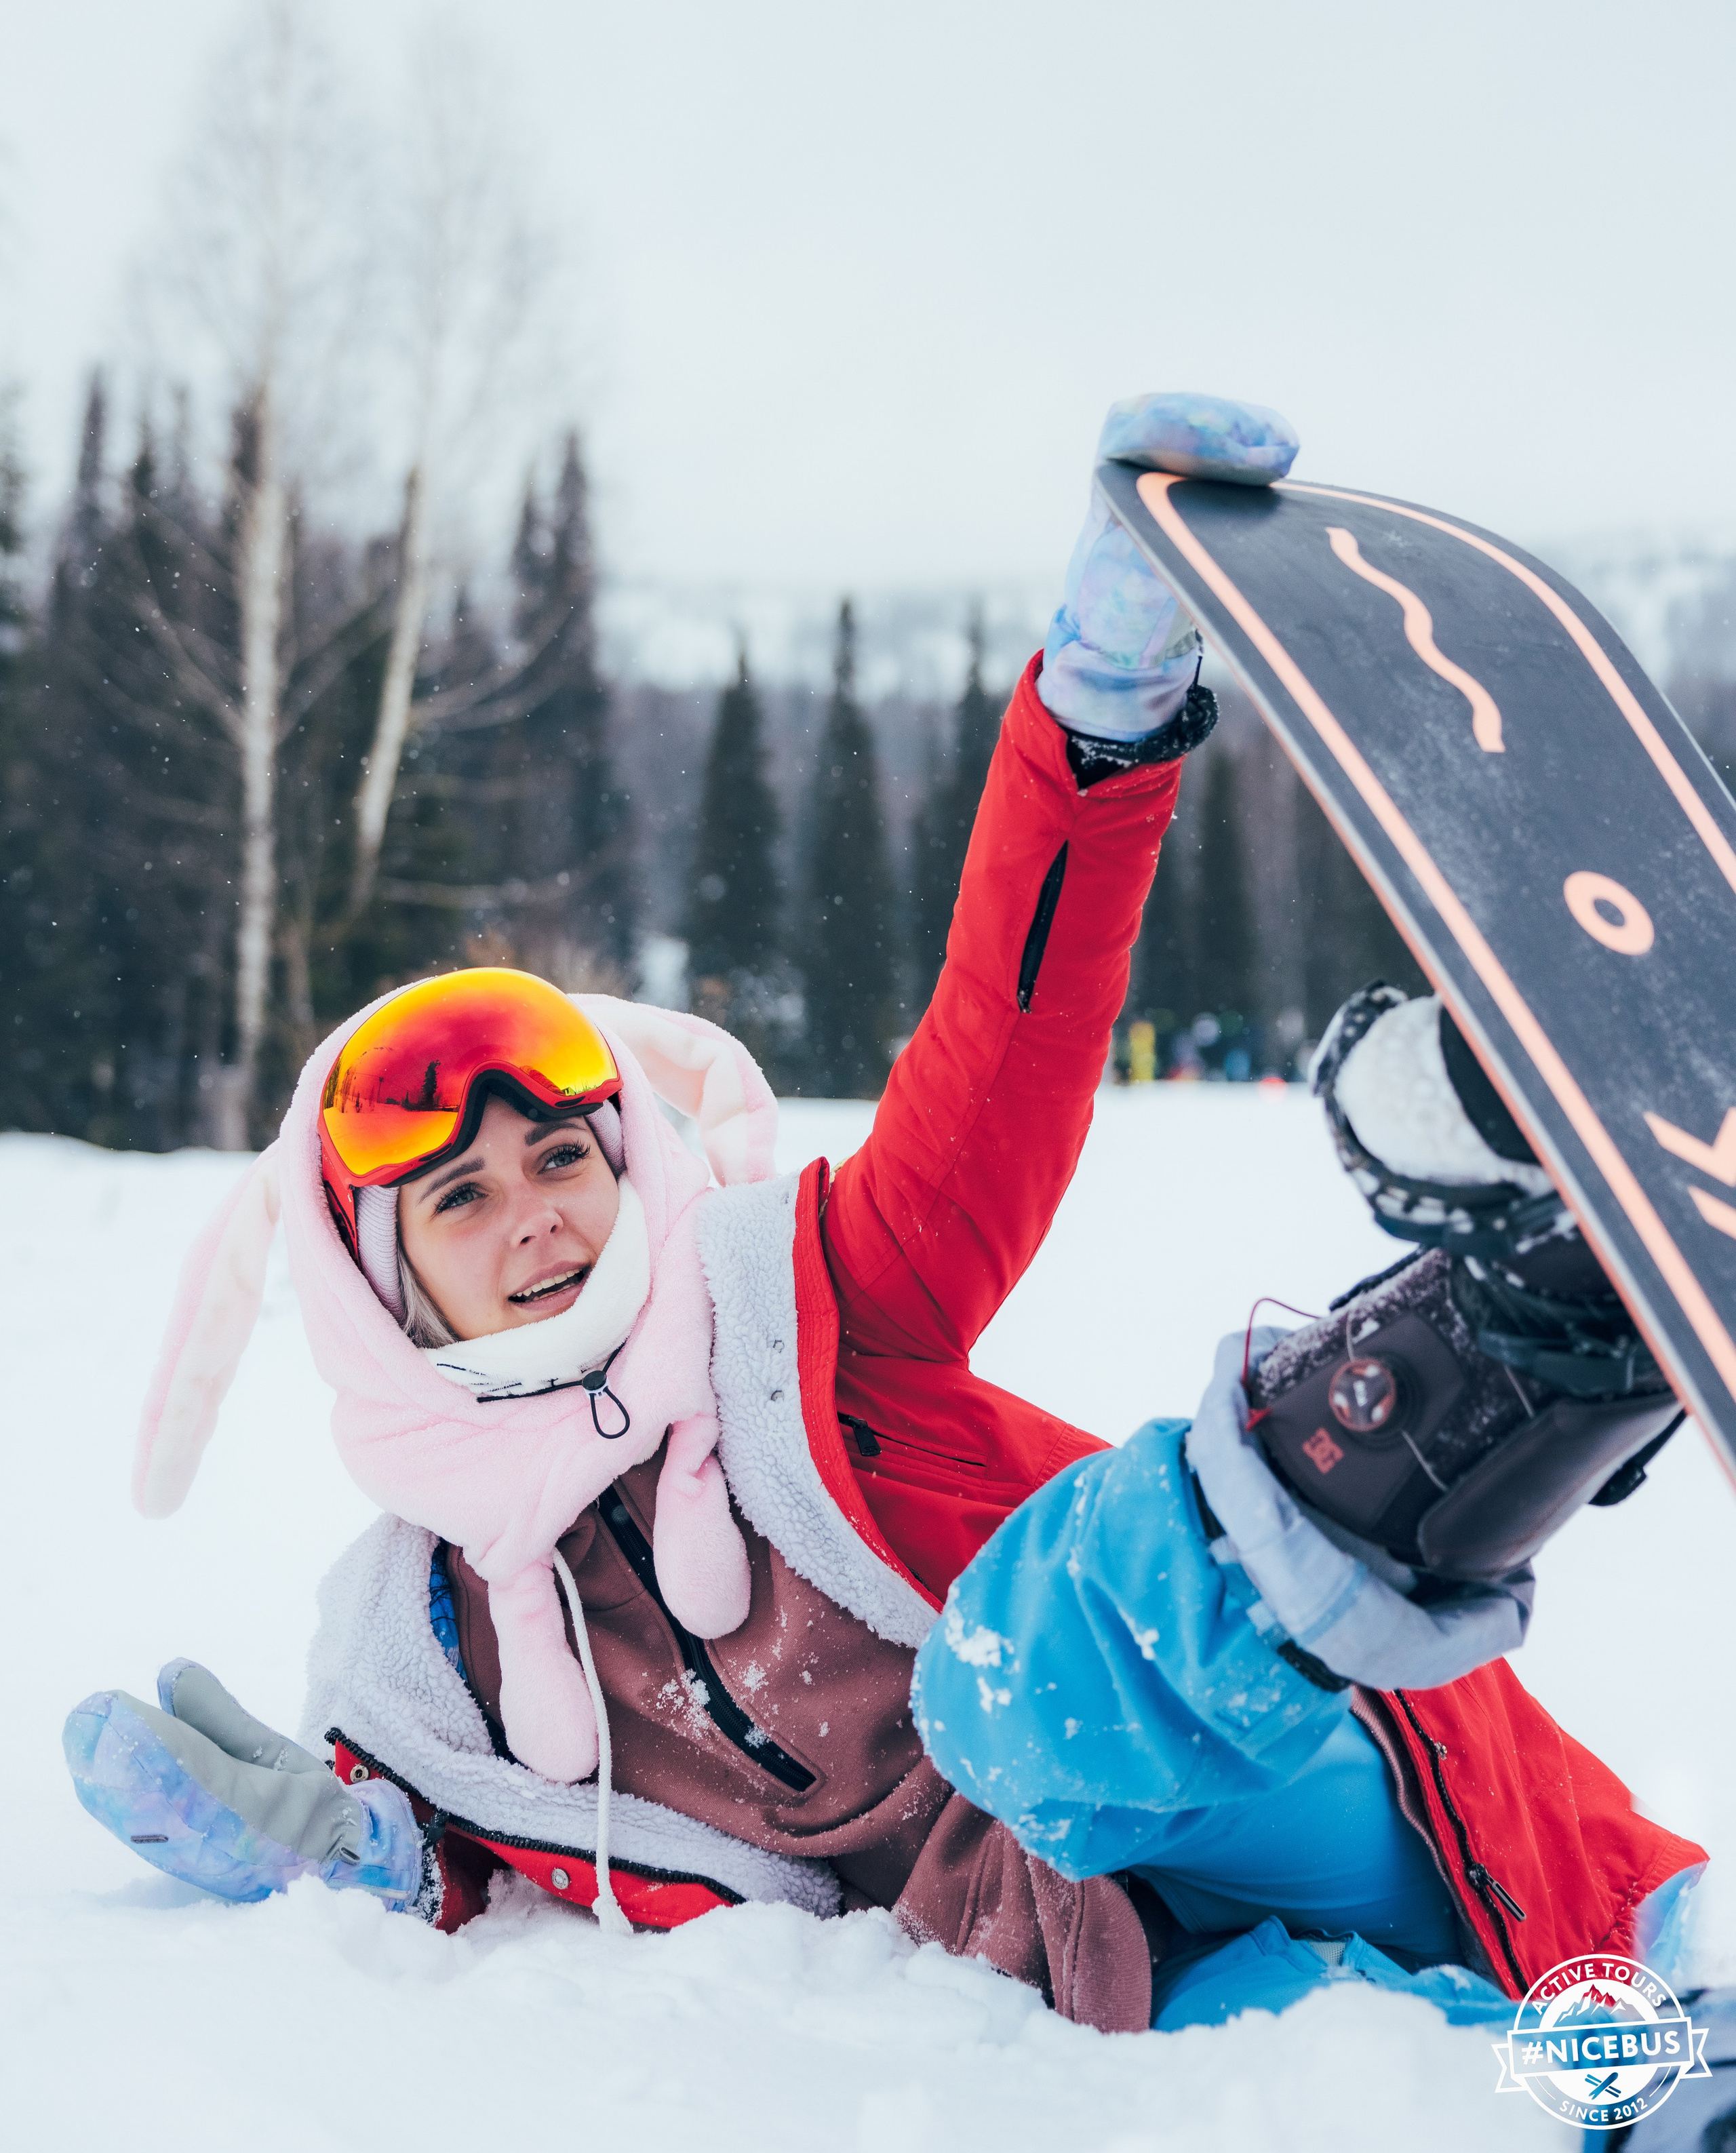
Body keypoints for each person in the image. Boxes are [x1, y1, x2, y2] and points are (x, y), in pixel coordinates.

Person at [66, 394, 1705, 2036]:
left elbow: (1002, 1049)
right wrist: (344, 1847)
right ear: (379, 1285)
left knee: (1022, 1691)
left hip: (1261, 1774)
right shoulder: (424, 1645)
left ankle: (1508, 1340)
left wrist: (1097, 724)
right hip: (1124, 1971)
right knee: (1439, 2063)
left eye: (563, 1159)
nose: (536, 1216)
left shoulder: (792, 1304)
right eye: (462, 1198)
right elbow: (469, 1842)